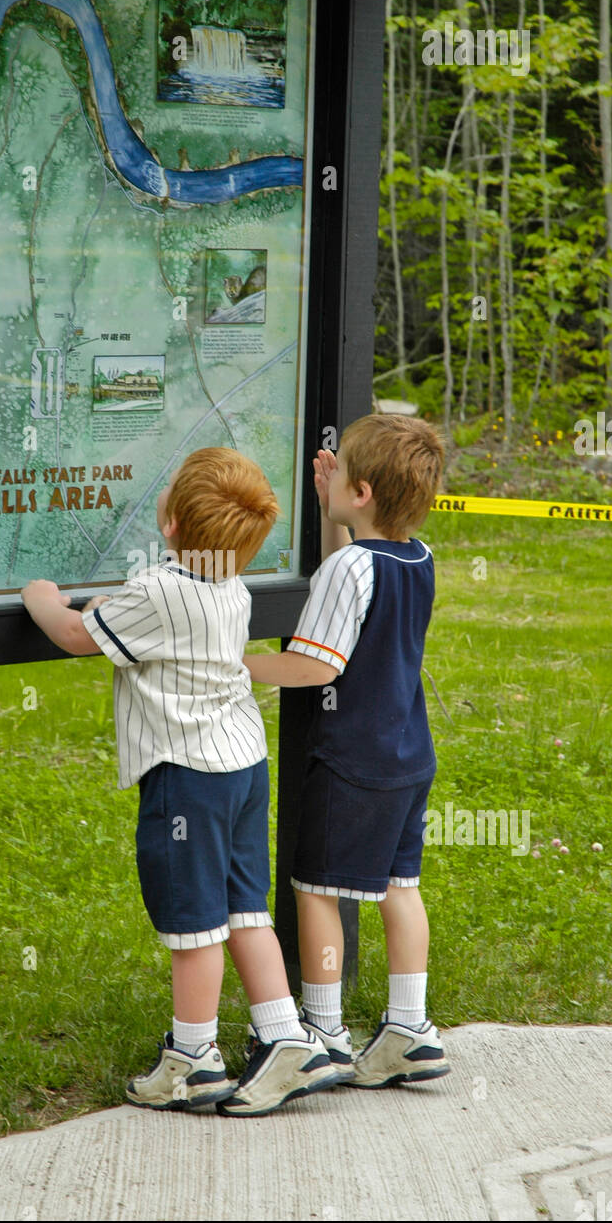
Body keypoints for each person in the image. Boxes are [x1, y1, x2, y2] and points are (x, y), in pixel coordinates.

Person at [21, 447, 339, 1116]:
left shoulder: (159, 593)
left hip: (185, 776)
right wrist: (122, 601)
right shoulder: (231, 584)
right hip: (244, 765)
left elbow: (80, 635)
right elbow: (153, 612)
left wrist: (42, 600)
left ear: (168, 525)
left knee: (194, 927)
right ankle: (285, 1038)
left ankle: (192, 1061)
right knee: (245, 908)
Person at [243, 413, 451, 1088]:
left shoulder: (351, 568)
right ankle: (409, 1030)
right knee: (399, 887)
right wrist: (335, 510)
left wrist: (232, 662)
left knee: (317, 889)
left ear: (360, 493)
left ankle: (324, 1034)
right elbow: (350, 570)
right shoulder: (413, 558)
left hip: (352, 761)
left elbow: (316, 665)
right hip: (407, 756)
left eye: (341, 478)